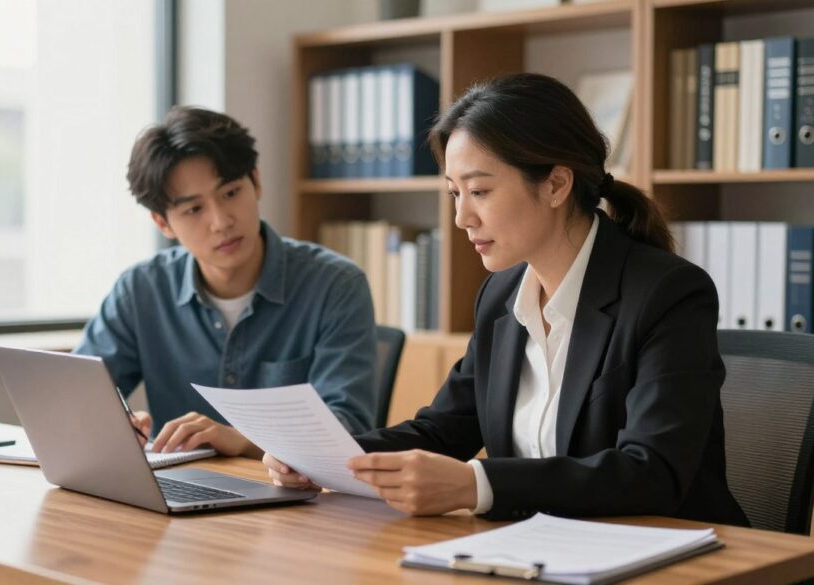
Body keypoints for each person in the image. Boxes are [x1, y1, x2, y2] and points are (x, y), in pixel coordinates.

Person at [264, 73, 749, 526]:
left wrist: (476, 484)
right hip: (542, 553)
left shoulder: (667, 294)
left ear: (557, 184)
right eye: (455, 193)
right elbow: (442, 431)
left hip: (672, 557)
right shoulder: (502, 295)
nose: (462, 218)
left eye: (479, 191)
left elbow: (651, 473)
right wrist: (324, 459)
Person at [76, 106, 377, 459]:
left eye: (231, 193)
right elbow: (78, 396)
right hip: (177, 493)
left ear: (256, 181)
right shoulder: (140, 290)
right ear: (163, 224)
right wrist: (115, 422)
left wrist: (243, 440)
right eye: (194, 210)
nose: (221, 222)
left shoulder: (335, 286)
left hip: (293, 500)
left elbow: (349, 426)